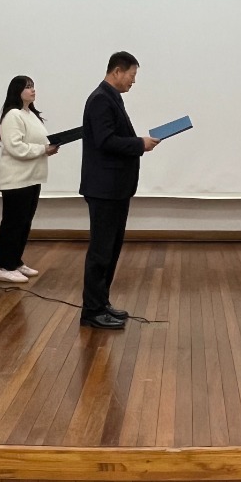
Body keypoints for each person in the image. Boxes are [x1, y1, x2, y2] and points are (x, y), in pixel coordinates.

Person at [79, 51, 160, 330]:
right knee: (101, 251)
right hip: (104, 189)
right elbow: (105, 141)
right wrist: (139, 144)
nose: (133, 81)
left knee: (111, 249)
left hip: (115, 188)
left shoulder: (111, 97)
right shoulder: (101, 99)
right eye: (131, 75)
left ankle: (101, 303)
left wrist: (138, 143)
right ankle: (92, 311)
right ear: (117, 71)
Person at [0, 75, 59, 283]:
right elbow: (15, 147)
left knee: (24, 223)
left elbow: (36, 142)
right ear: (17, 91)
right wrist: (43, 149)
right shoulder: (13, 115)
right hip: (16, 179)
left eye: (33, 86)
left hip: (32, 177)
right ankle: (4, 266)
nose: (33, 90)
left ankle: (15, 261)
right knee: (13, 223)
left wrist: (48, 148)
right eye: (28, 87)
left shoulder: (30, 114)